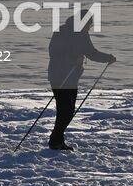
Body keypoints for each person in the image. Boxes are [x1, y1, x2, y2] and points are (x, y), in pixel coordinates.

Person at [46, 15, 115, 151]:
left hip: (72, 78)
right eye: (89, 24)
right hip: (59, 76)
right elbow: (54, 52)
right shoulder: (63, 32)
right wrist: (72, 59)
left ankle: (57, 140)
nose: (90, 27)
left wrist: (108, 58)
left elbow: (92, 53)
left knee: (68, 111)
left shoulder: (83, 35)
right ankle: (55, 142)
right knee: (65, 111)